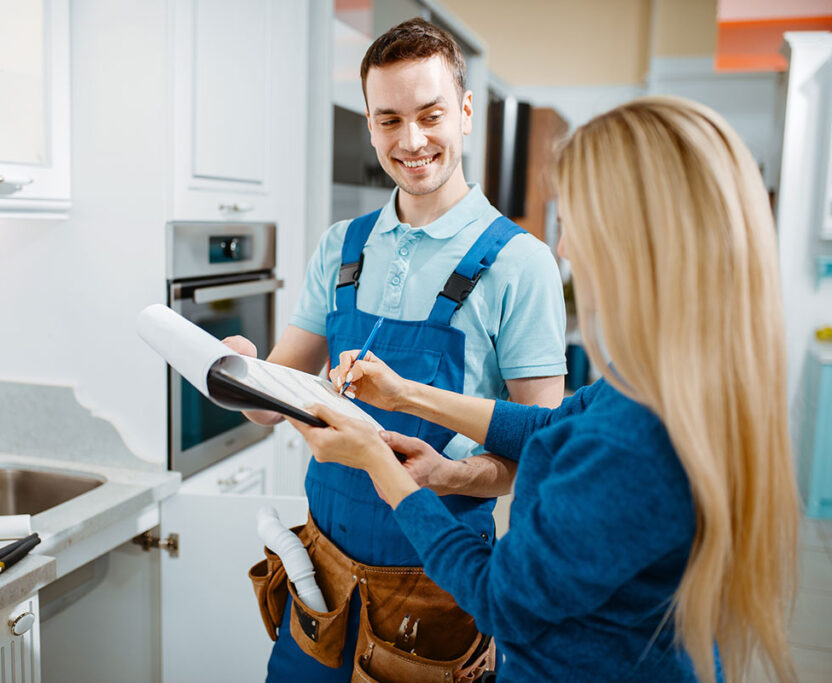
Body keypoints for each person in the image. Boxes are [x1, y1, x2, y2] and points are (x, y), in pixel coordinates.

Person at [291, 96, 800, 683]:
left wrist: (379, 462)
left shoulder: (630, 443)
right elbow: (549, 426)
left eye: (576, 223)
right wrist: (406, 395)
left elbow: (500, 597)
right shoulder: (668, 386)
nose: (565, 248)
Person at [227, 17, 566, 682]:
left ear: (466, 113)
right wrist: (239, 374)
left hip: (435, 590)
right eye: (388, 120)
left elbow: (545, 456)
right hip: (317, 580)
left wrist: (449, 475)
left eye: (430, 114)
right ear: (370, 123)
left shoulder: (521, 265)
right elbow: (274, 403)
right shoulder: (341, 246)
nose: (410, 141)